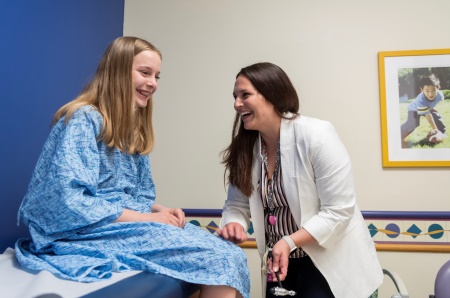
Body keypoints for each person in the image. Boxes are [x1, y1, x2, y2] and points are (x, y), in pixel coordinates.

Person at [15, 36, 250, 298]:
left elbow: (132, 196)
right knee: (219, 258)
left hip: (116, 223)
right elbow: (70, 201)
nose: (152, 83)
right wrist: (148, 218)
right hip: (81, 230)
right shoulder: (84, 119)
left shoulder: (132, 130)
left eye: (157, 76)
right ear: (118, 71)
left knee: (230, 253)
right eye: (145, 72)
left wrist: (158, 209)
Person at [216, 62, 383, 298]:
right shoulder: (247, 148)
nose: (236, 104)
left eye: (245, 95)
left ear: (272, 95)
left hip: (329, 259)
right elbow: (236, 205)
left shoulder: (317, 135)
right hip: (281, 261)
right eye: (235, 96)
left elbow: (339, 211)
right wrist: (235, 223)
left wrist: (289, 241)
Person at [401, 74, 447, 148]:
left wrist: (432, 108)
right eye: (427, 91)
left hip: (427, 108)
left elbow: (432, 103)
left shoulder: (440, 95)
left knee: (436, 116)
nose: (430, 94)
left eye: (433, 90)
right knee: (413, 124)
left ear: (438, 88)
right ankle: (398, 135)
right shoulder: (420, 99)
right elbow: (428, 116)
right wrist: (435, 129)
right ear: (422, 90)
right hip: (414, 109)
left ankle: (443, 133)